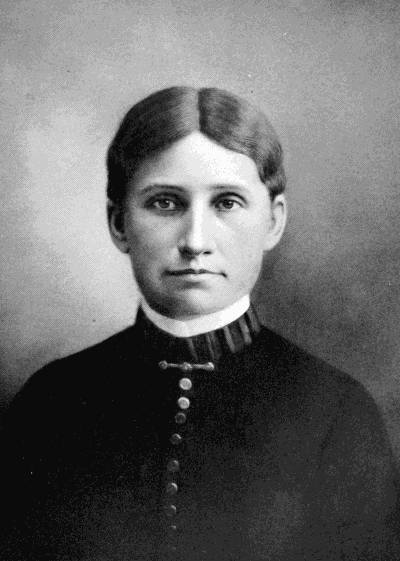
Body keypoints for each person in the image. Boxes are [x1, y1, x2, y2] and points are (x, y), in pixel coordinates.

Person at [0, 86, 398, 561]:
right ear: (119, 223)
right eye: (165, 203)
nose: (195, 241)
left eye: (226, 203)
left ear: (273, 221)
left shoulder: (337, 413)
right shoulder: (50, 402)